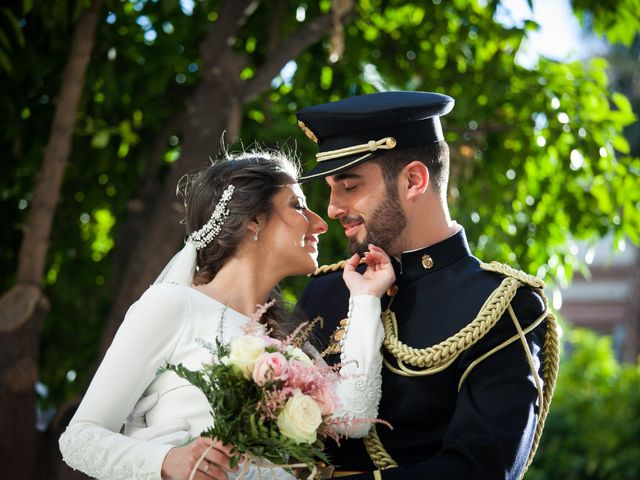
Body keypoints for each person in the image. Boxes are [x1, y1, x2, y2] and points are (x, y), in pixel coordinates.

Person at [58, 150, 396, 480]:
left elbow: (355, 419)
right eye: (297, 206)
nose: (320, 223)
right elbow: (79, 438)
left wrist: (366, 300)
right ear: (252, 220)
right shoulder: (173, 305)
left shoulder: (289, 342)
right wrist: (166, 461)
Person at [294, 91, 560, 480]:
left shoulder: (502, 304)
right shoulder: (324, 292)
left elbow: (480, 468)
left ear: (414, 180)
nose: (332, 208)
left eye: (349, 186)